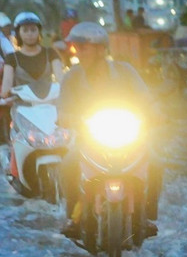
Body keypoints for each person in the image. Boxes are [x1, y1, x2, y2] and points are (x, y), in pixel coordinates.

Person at [56, 22, 163, 238]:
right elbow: (63, 110)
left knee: (156, 163)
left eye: (83, 48)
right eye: (76, 48)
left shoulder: (125, 71)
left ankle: (147, 215)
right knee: (67, 164)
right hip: (89, 140)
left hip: (129, 138)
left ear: (101, 49)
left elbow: (146, 98)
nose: (78, 53)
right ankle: (73, 216)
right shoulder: (71, 77)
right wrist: (68, 118)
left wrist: (156, 112)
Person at [0, 12, 63, 100]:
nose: (29, 34)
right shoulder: (11, 58)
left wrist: (66, 89)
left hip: (50, 103)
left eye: (33, 30)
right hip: (22, 105)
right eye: (25, 30)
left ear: (39, 32)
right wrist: (5, 93)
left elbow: (60, 78)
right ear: (18, 33)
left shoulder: (51, 53)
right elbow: (7, 82)